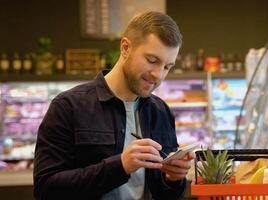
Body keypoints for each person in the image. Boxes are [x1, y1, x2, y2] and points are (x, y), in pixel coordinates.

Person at [33, 11, 195, 200]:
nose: (158, 75)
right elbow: (46, 189)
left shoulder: (161, 112)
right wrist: (120, 166)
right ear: (125, 48)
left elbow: (167, 194)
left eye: (167, 67)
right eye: (152, 60)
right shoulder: (68, 106)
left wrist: (173, 179)